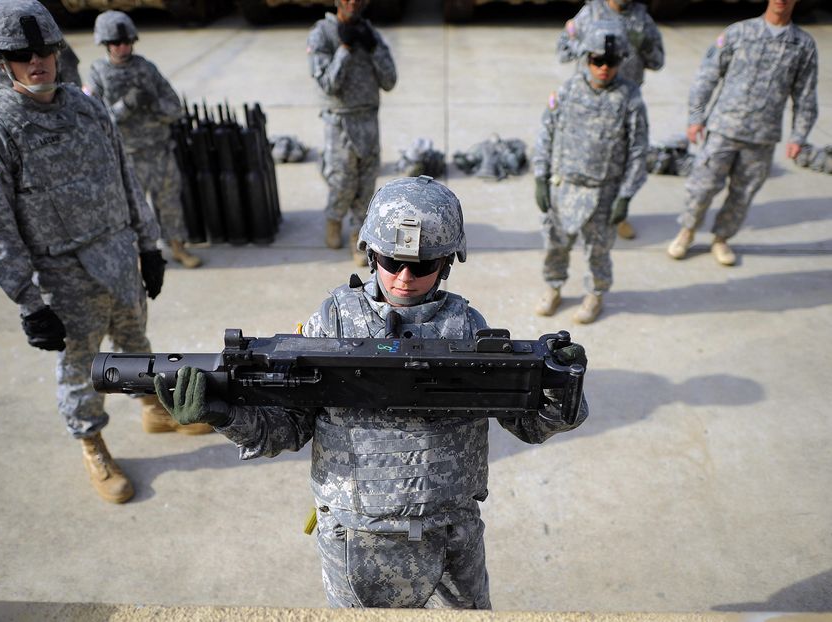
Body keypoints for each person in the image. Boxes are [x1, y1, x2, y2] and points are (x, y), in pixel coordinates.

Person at [154, 176, 589, 608]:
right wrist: (224, 415)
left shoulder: (466, 328)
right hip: (354, 539)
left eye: (422, 266)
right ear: (369, 254)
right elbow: (287, 428)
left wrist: (560, 385)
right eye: (389, 260)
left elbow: (530, 423)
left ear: (448, 263)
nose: (403, 278)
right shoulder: (333, 323)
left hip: (448, 537)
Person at [0, 0, 209, 505]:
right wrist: (28, 302)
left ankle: (153, 408)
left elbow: (125, 176)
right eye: (22, 54)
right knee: (82, 368)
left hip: (119, 257)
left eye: (44, 51)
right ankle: (92, 442)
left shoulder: (86, 105)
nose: (37, 63)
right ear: (1, 62)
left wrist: (149, 244)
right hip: (64, 274)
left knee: (136, 341)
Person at [666, 0, 818, 266]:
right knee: (702, 187)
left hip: (762, 136)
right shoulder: (739, 33)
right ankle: (687, 231)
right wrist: (695, 118)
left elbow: (805, 95)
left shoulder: (802, 45)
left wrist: (799, 136)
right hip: (724, 128)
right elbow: (707, 75)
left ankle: (721, 239)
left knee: (743, 194)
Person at [533, 23, 648, 324]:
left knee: (598, 250)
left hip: (603, 192)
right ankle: (553, 287)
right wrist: (539, 177)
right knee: (555, 244)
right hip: (564, 186)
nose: (604, 68)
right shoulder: (567, 91)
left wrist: (625, 196)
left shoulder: (629, 98)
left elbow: (638, 150)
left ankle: (595, 294)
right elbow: (546, 133)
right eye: (597, 60)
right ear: (586, 58)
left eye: (612, 62)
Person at [85, 10, 202, 269]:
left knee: (170, 201)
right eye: (116, 43)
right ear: (105, 44)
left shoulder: (146, 68)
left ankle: (177, 247)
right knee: (134, 210)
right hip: (129, 155)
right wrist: (126, 106)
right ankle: (142, 256)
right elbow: (97, 121)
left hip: (160, 150)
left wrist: (154, 104)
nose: (123, 48)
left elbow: (175, 108)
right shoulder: (98, 73)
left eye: (128, 42)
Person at [556, 0, 663, 241]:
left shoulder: (642, 19)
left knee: (626, 161)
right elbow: (563, 50)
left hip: (625, 105)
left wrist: (644, 44)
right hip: (588, 103)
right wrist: (583, 45)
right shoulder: (590, 13)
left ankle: (619, 213)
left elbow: (658, 61)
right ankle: (573, 210)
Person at [307, 0, 397, 266]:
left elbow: (390, 80)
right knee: (343, 180)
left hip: (368, 118)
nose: (353, 3)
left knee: (367, 181)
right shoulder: (322, 34)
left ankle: (359, 234)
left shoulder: (371, 34)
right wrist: (344, 49)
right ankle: (334, 217)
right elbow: (328, 84)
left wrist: (372, 49)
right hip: (340, 121)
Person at [0, 18, 82, 116]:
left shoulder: (35, 20)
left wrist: (73, 104)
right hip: (6, 112)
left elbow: (66, 63)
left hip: (47, 105)